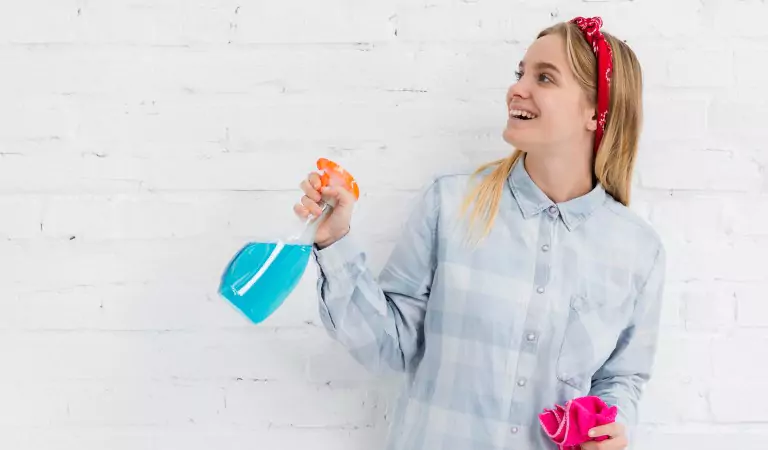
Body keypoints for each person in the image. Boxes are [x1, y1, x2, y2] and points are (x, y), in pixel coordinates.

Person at [294, 16, 665, 450]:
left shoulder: (638, 250)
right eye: (520, 72)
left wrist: (613, 427)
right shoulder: (450, 205)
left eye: (544, 77)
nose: (518, 88)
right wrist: (334, 241)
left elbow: (621, 378)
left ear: (594, 112)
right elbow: (388, 347)